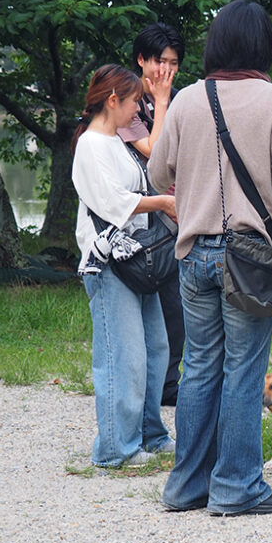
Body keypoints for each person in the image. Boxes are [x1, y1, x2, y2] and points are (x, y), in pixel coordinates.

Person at [149, 0, 272, 516]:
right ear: (264, 45)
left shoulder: (189, 101)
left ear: (215, 43)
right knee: (243, 371)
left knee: (197, 368)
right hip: (248, 260)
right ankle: (236, 487)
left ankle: (186, 487)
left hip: (192, 255)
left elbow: (155, 177)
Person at [72, 63, 177, 468]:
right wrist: (165, 203)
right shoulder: (91, 145)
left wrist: (162, 101)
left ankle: (149, 434)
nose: (139, 110)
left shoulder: (116, 140)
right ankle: (116, 449)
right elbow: (114, 202)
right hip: (108, 266)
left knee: (156, 349)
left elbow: (154, 164)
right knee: (123, 356)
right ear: (113, 100)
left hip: (137, 260)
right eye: (135, 102)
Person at [118, 23, 185, 406]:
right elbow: (155, 155)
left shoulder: (180, 100)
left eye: (174, 64)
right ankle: (154, 384)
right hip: (141, 219)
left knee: (178, 305)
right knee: (159, 302)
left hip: (178, 212)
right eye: (160, 62)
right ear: (141, 60)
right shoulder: (124, 101)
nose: (167, 72)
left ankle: (168, 381)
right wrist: (160, 102)